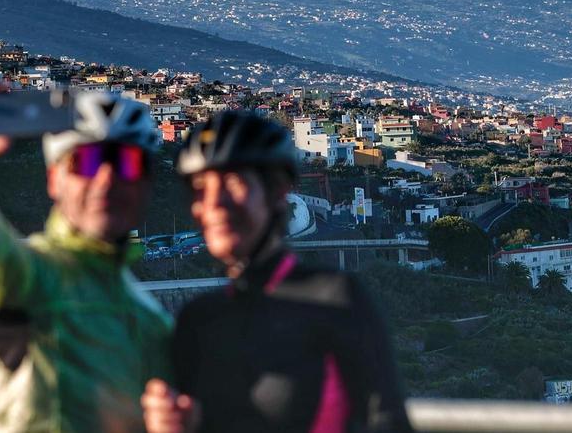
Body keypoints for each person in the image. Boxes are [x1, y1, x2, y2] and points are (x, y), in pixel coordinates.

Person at [142, 111, 413, 433]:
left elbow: (387, 422)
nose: (215, 203)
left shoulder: (332, 299)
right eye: (201, 188)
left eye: (233, 183)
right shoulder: (197, 319)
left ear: (278, 192)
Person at [0, 86, 171, 432]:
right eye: (86, 161)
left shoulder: (154, 323)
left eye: (125, 163)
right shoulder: (26, 276)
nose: (106, 180)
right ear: (53, 179)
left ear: (147, 183)